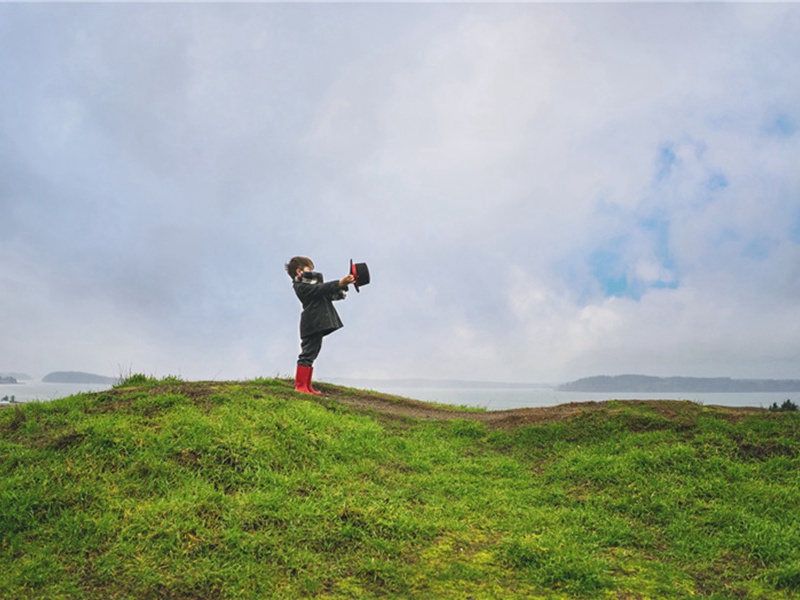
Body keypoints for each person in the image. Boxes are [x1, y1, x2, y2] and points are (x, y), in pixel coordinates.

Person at [286, 256, 355, 395]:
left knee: (312, 353)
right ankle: (300, 387)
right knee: (307, 354)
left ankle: (307, 386)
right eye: (309, 269)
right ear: (299, 272)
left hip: (315, 324)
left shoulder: (310, 286)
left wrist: (343, 284)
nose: (312, 271)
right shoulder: (301, 286)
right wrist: (339, 282)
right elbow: (320, 289)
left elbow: (327, 292)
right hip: (311, 323)